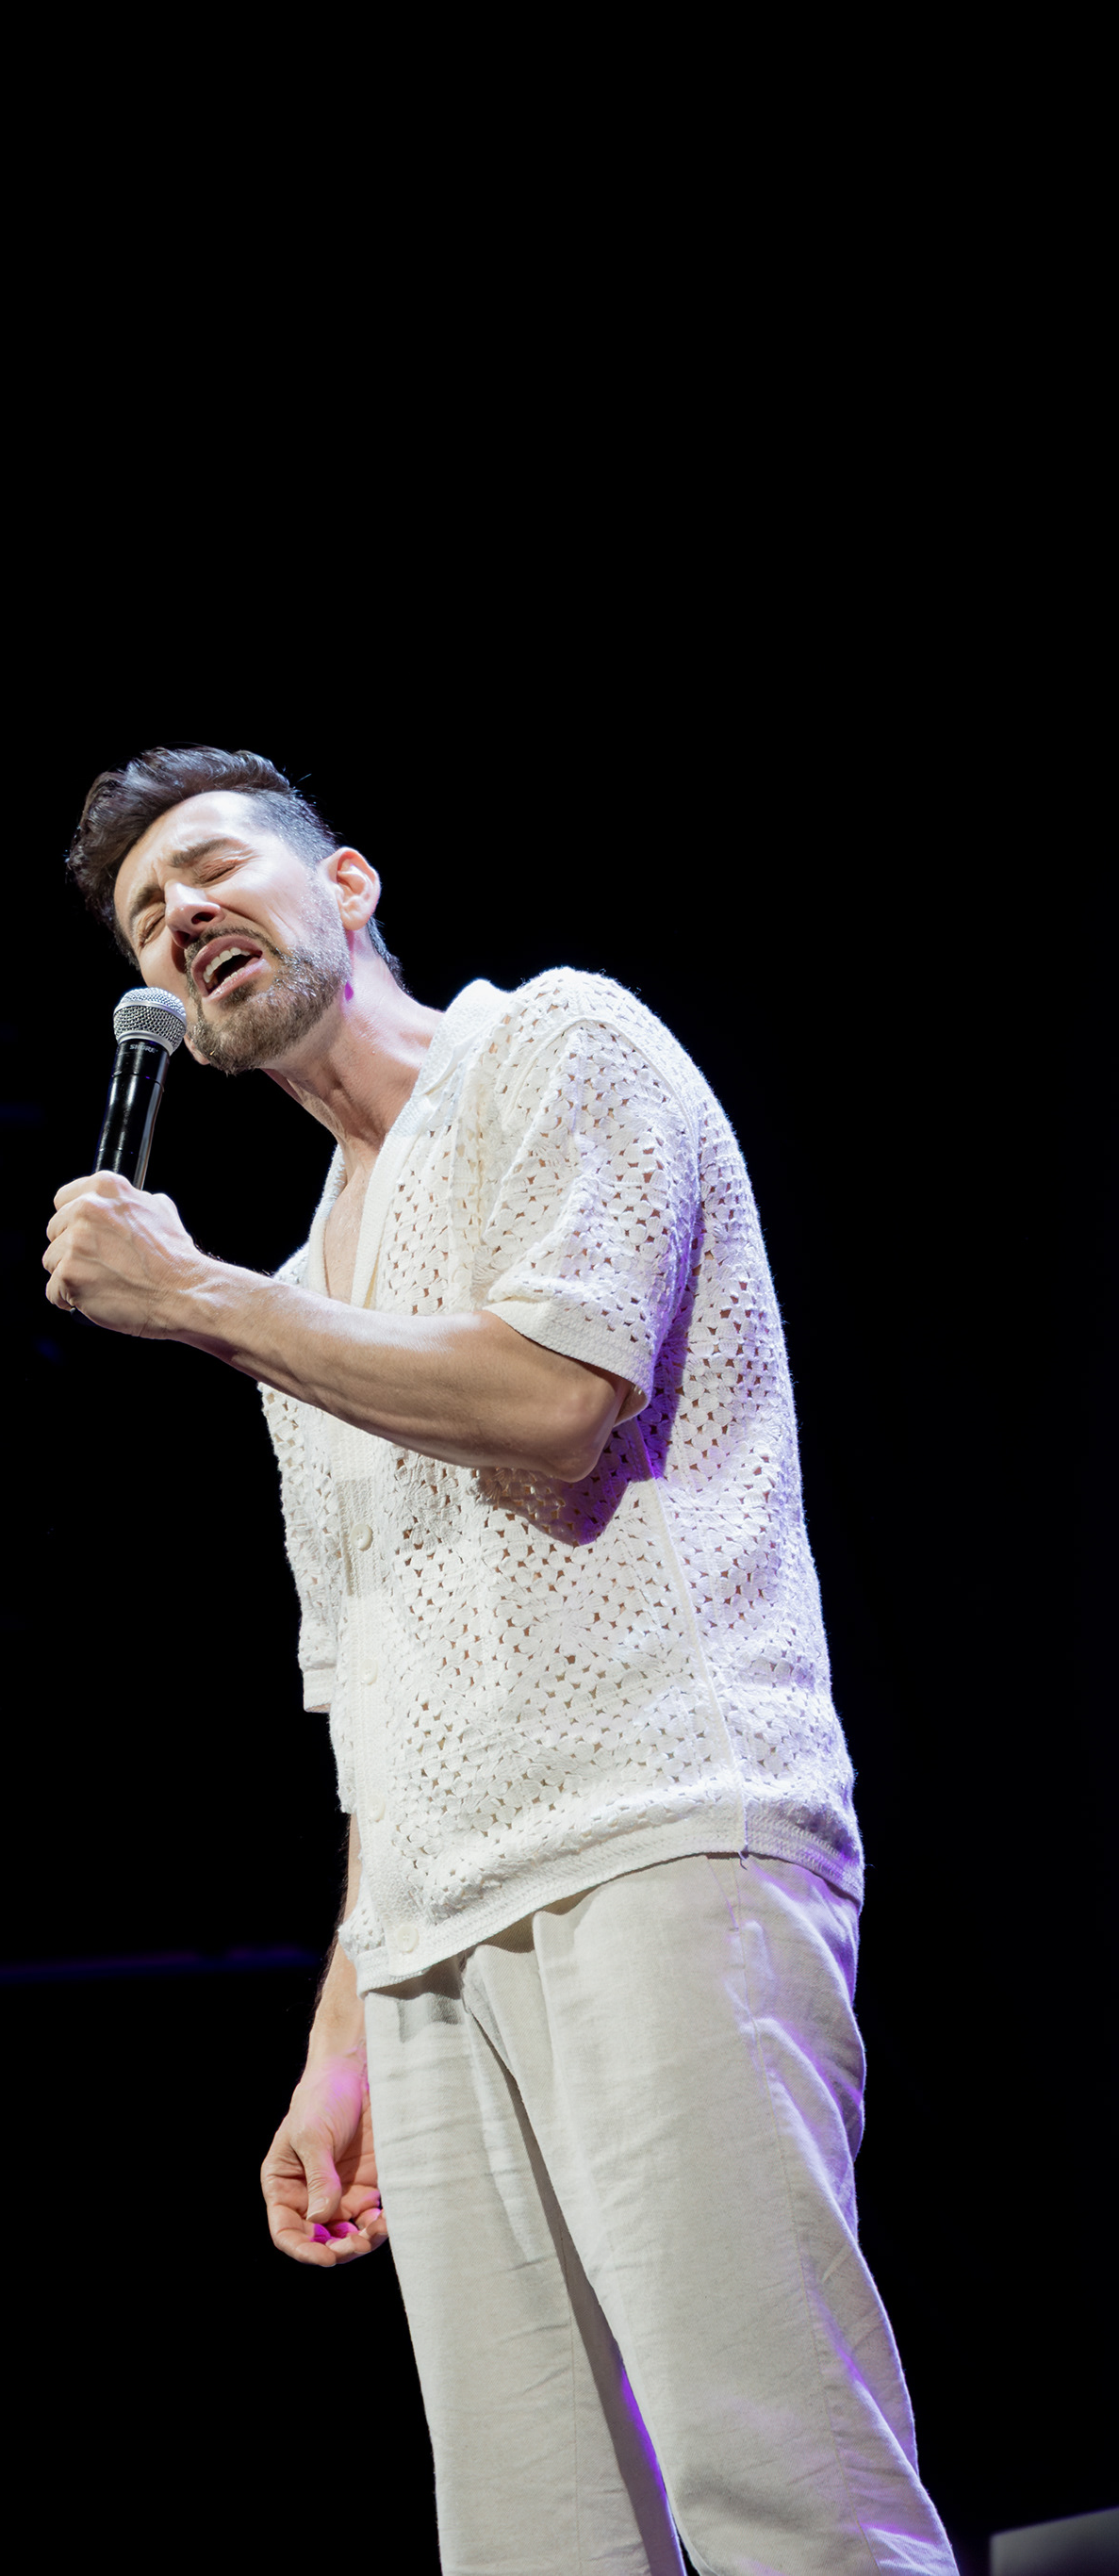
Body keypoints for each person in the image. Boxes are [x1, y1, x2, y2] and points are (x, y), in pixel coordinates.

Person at [48, 747, 951, 2576]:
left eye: (214, 868)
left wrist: (203, 1302)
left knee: (776, 2481)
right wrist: (342, 2038)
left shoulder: (553, 1049)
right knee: (540, 2541)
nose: (182, 917)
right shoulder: (307, 1269)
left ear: (351, 884)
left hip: (661, 1833)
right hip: (439, 1941)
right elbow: (368, 1692)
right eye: (147, 914)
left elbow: (553, 1401)